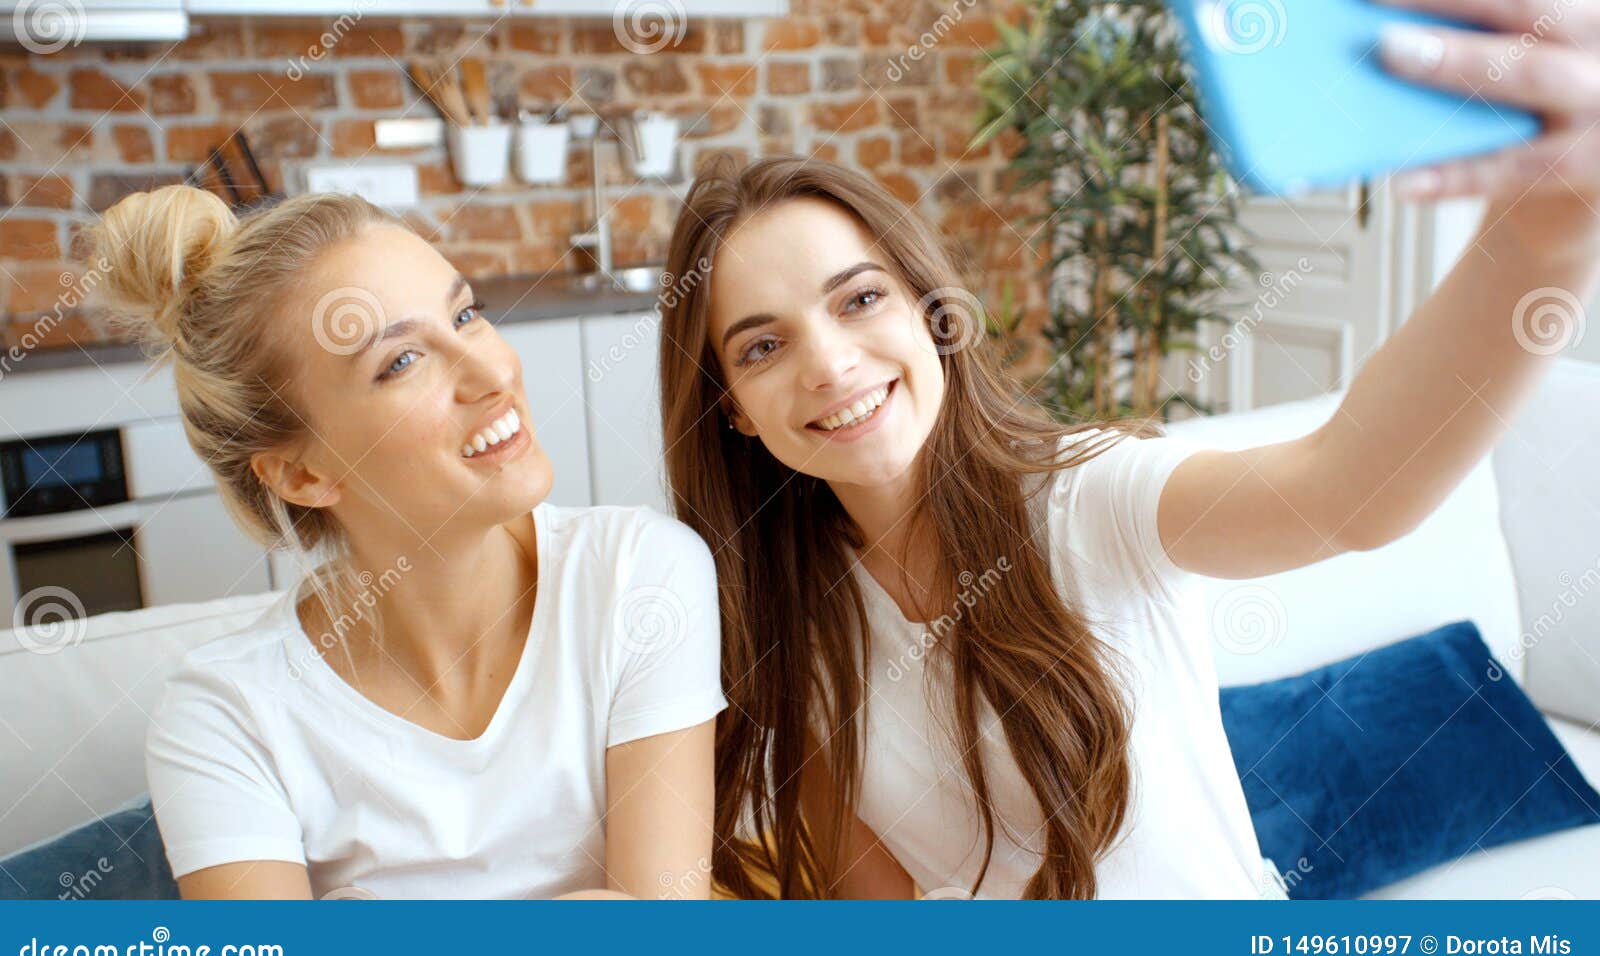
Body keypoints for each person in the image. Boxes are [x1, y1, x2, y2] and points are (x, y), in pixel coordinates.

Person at [653, 0, 1600, 898]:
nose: (829, 363)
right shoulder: (791, 617)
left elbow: (1345, 491)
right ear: (731, 408)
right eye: (764, 347)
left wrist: (1544, 239)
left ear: (931, 313)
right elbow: (881, 916)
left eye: (860, 298)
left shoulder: (1085, 496)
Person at [86, 186, 724, 899]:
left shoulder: (639, 575)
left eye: (467, 315)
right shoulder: (226, 715)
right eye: (401, 363)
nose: (494, 374)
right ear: (302, 472)